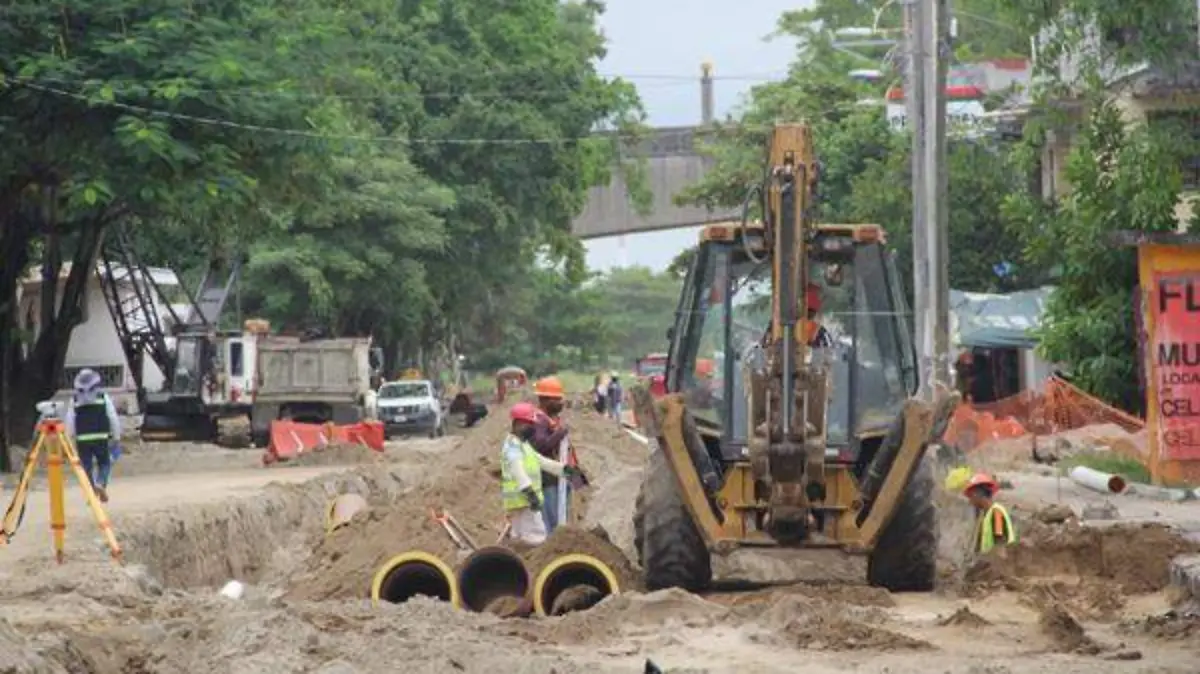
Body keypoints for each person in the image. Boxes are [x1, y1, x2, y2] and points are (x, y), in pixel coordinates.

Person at [501, 402, 577, 545]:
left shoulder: (522, 445)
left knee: (520, 538)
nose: (532, 429)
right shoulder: (512, 447)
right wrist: (530, 492)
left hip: (522, 501)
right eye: (529, 425)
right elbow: (518, 470)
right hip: (526, 500)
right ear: (518, 424)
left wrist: (562, 469)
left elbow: (540, 461)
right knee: (537, 537)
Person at [532, 376, 585, 533]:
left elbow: (566, 453)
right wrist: (560, 433)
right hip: (548, 480)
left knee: (563, 518)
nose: (560, 403)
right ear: (545, 400)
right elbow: (541, 445)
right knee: (554, 523)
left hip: (561, 478)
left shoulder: (552, 419)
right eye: (556, 399)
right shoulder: (539, 421)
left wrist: (577, 479)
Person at [64, 369, 121, 503]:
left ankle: (91, 492)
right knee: (105, 463)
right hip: (101, 437)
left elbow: (70, 421)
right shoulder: (103, 397)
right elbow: (113, 417)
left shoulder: (75, 400)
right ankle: (100, 483)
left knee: (86, 467)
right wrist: (116, 437)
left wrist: (68, 440)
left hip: (83, 440)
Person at [962, 472, 1017, 555]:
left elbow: (1000, 545)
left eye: (971, 496)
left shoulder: (996, 512)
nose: (970, 501)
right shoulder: (986, 515)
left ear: (977, 494)